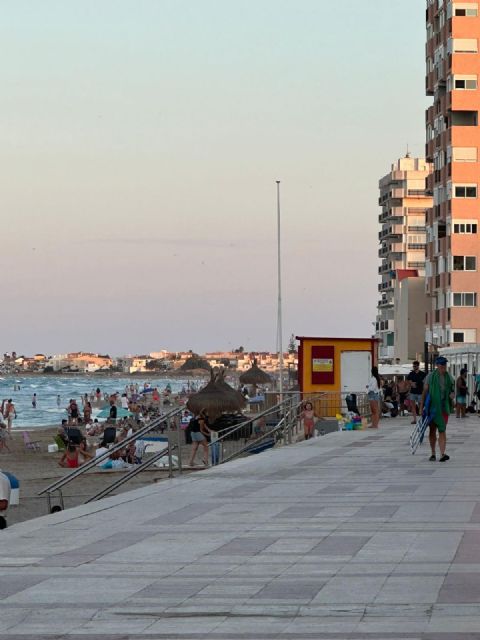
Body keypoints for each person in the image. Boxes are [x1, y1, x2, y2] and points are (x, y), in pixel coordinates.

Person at [419, 356, 455, 462]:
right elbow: (424, 393)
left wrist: (452, 396)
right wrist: (421, 407)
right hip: (432, 408)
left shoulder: (449, 377)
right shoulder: (430, 376)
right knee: (432, 430)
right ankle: (433, 453)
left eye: (445, 364)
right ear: (437, 365)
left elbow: (452, 391)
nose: (444, 366)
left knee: (442, 429)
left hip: (444, 407)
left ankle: (442, 454)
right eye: (441, 364)